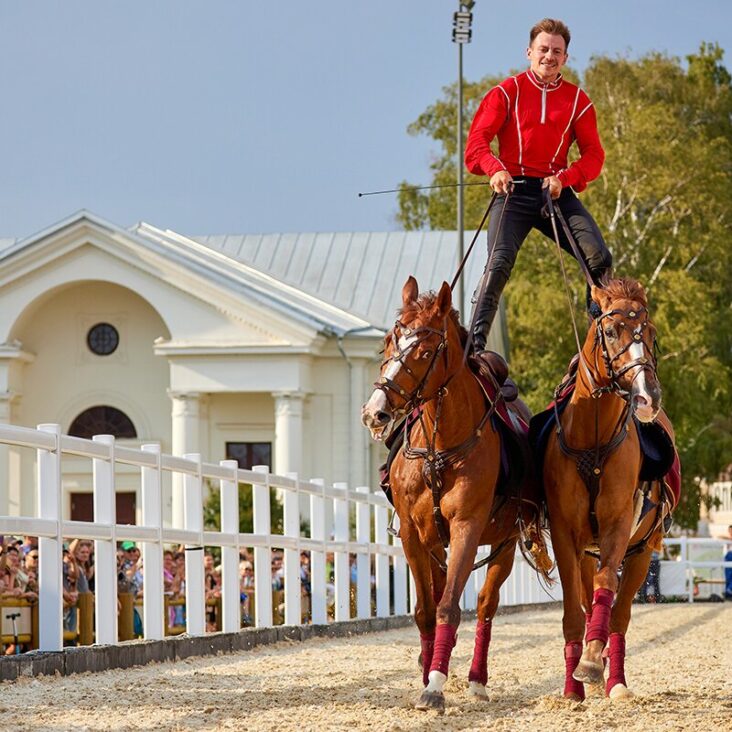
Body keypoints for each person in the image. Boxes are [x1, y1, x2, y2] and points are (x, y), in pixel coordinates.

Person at [464, 18, 612, 354]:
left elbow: (594, 155)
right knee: (499, 261)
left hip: (554, 193)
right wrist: (494, 168)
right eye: (543, 49)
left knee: (599, 257)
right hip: (511, 191)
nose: (549, 56)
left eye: (556, 51)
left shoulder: (578, 101)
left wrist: (566, 178)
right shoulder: (505, 92)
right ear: (529, 52)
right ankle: (473, 345)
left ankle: (598, 341)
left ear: (566, 58)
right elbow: (476, 145)